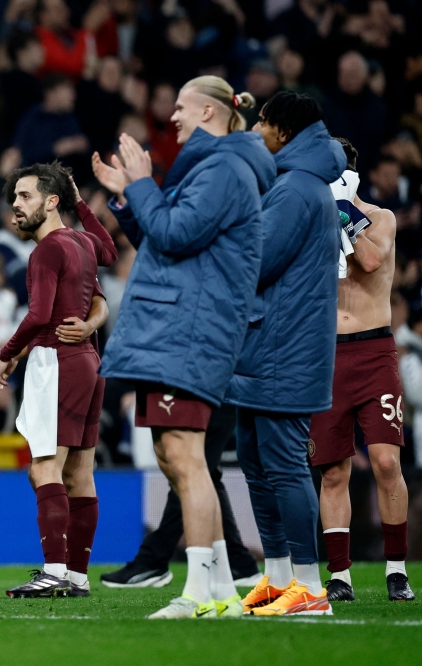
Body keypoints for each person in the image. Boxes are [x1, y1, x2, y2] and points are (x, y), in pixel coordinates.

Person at [92, 76, 274, 618]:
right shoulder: (212, 168)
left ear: (211, 113)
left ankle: (197, 591)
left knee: (188, 458)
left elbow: (172, 234)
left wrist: (145, 184)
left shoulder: (221, 167)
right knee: (178, 457)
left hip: (189, 332)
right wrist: (130, 196)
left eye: (180, 107)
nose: (171, 116)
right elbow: (162, 243)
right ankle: (218, 589)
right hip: (177, 329)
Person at [221, 92, 344, 617]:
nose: (260, 132)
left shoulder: (295, 189)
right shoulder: (296, 184)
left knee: (286, 466)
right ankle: (276, 578)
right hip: (267, 345)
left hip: (283, 348)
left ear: (286, 133)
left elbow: (257, 260)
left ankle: (311, 588)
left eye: (265, 124)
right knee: (254, 461)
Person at [0, 163, 117, 598]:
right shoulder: (82, 242)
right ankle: (77, 575)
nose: (16, 208)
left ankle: (55, 571)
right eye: (14, 200)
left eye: (25, 197)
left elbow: (40, 315)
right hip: (89, 361)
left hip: (56, 361)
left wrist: (5, 356)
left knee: (45, 466)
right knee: (80, 472)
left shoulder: (46, 250)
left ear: (50, 201)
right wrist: (82, 202)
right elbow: (111, 253)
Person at [311, 138, 415, 603]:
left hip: (374, 352)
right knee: (333, 472)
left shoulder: (381, 217)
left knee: (387, 462)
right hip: (327, 355)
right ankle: (341, 576)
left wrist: (340, 207)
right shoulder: (314, 220)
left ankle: (396, 569)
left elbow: (369, 259)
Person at [100, 404, 262, 589]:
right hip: (194, 386)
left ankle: (155, 560)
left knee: (191, 473)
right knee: (202, 472)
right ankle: (239, 564)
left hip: (209, 388)